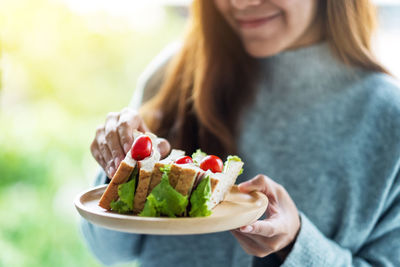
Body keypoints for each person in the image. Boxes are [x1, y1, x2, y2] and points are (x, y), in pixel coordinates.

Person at [82, 0, 400, 266]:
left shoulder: (388, 117)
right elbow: (109, 251)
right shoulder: (173, 74)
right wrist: (121, 171)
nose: (240, 3)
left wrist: (295, 244)